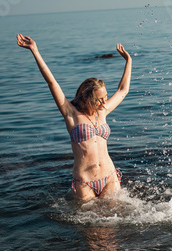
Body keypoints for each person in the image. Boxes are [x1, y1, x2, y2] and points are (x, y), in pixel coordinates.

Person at [16, 34, 132, 202]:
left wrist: (128, 61)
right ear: (86, 98)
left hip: (110, 177)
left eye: (105, 97)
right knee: (90, 227)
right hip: (84, 181)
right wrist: (35, 50)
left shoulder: (103, 112)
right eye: (99, 99)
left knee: (113, 226)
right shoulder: (71, 114)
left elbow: (123, 90)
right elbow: (52, 83)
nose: (104, 101)